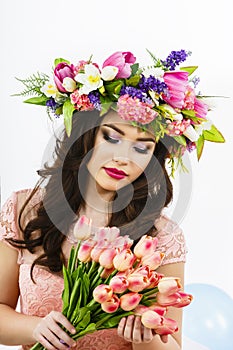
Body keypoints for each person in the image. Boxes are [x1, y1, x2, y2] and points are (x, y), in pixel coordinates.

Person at [0, 49, 224, 350]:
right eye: (112, 138)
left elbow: (172, 345)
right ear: (87, 135)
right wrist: (35, 328)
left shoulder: (162, 238)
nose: (122, 158)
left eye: (141, 148)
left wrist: (145, 341)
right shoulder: (24, 210)